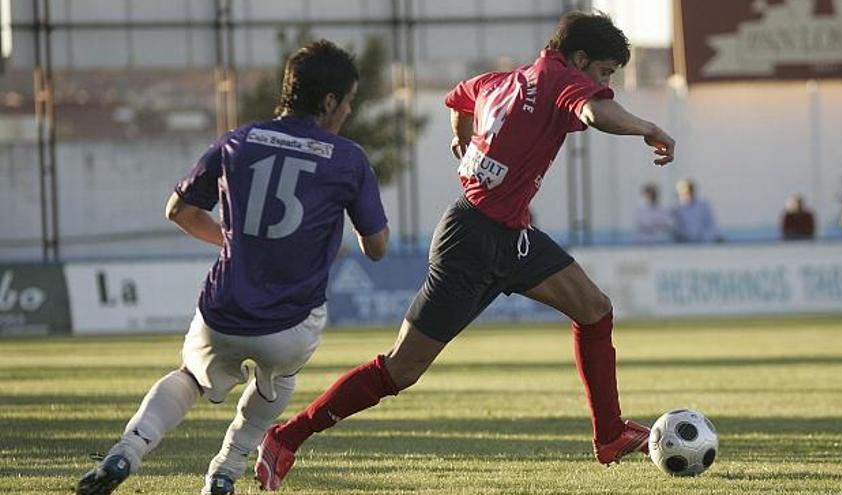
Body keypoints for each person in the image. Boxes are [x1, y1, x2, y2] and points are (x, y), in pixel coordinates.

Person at [254, 11, 676, 491]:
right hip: (470, 242)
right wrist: (647, 127)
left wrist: (460, 137)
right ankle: (286, 437)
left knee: (595, 310)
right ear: (579, 60)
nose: (605, 87)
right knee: (401, 369)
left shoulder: (504, 80)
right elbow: (594, 112)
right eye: (603, 74)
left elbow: (458, 96)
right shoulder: (561, 78)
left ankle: (610, 436)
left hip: (509, 235)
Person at [75, 40, 389, 495]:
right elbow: (377, 248)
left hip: (223, 309)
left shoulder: (237, 142)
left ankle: (127, 450)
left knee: (188, 377)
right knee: (276, 382)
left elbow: (178, 212)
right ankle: (225, 470)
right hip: (290, 321)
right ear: (328, 102)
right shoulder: (348, 158)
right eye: (347, 102)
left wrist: (234, 238)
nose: (348, 112)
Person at [671, 178, 721, 242]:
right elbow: (675, 230)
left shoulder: (703, 207)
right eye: (685, 193)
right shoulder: (675, 210)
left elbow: (710, 226)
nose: (687, 195)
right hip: (684, 244)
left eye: (689, 192)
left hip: (703, 242)